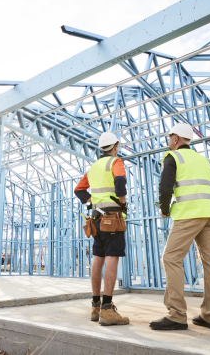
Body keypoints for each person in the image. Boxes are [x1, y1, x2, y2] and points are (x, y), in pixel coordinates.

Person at [150, 123, 210, 331]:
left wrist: (164, 209)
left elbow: (165, 187)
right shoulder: (203, 160)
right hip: (209, 213)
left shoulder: (172, 157)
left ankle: (176, 315)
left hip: (189, 214)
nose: (168, 141)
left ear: (175, 139)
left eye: (169, 137)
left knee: (170, 258)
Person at [74, 132, 129, 326]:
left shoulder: (93, 168)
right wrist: (122, 203)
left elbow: (78, 190)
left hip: (96, 219)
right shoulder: (115, 162)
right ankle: (107, 309)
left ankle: (95, 306)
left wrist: (92, 201)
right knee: (112, 257)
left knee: (98, 257)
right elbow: (120, 181)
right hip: (113, 217)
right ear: (115, 147)